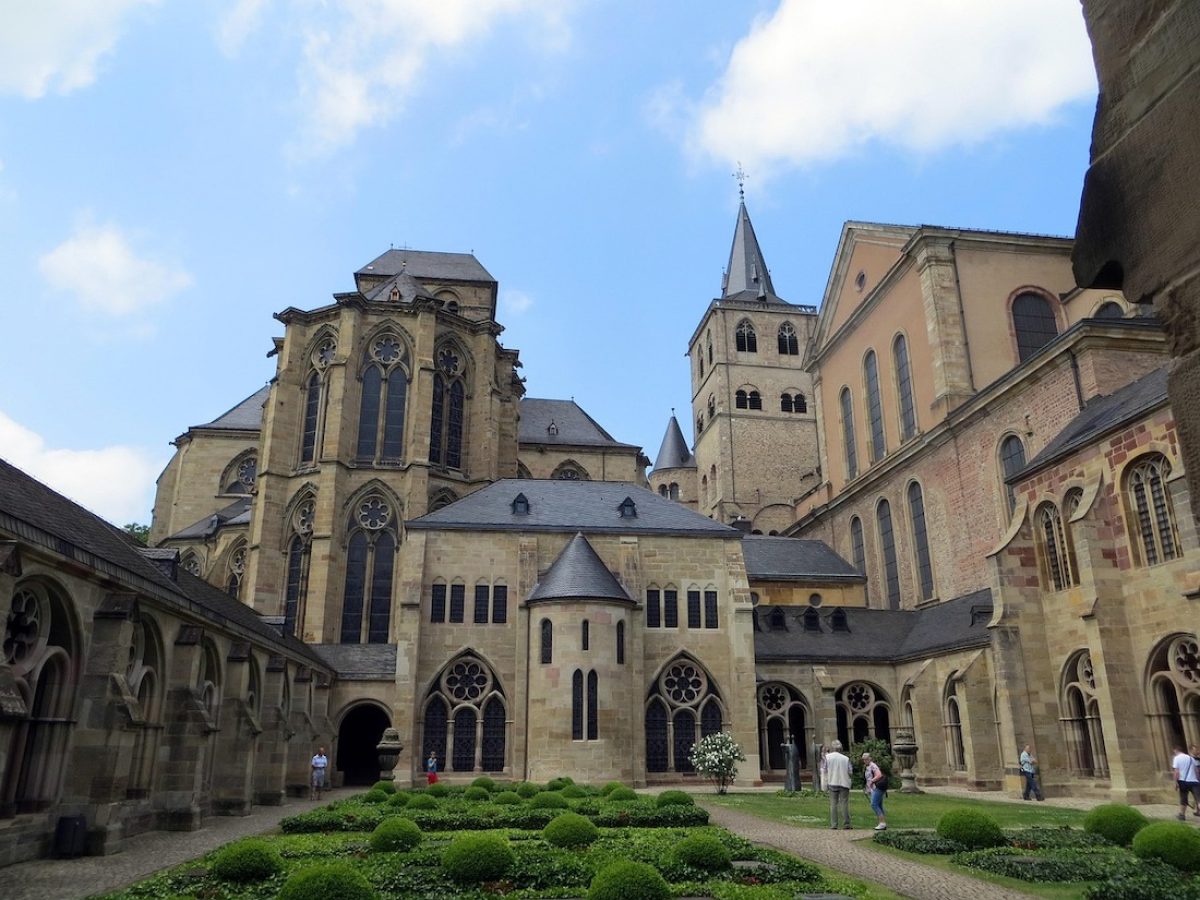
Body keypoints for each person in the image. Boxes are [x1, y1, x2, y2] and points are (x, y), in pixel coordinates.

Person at [824, 740, 852, 829]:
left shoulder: (827, 757)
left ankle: (834, 824)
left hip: (832, 781)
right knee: (844, 803)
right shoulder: (846, 758)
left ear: (832, 748)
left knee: (833, 804)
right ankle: (846, 824)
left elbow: (824, 769)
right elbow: (850, 771)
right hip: (844, 782)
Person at [1171, 744, 1200, 821]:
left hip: (1183, 781)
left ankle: (1182, 815)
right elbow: (1196, 771)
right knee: (1198, 799)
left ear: (1176, 750)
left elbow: (1176, 771)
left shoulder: (1177, 758)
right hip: (1194, 781)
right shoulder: (1191, 758)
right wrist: (1197, 779)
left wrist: (1175, 782)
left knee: (1183, 799)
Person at [862, 752, 887, 831]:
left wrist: (872, 781)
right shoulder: (867, 767)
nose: (865, 761)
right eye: (864, 759)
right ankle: (882, 822)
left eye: (866, 759)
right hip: (873, 788)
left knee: (874, 804)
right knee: (879, 805)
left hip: (877, 787)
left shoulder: (873, 766)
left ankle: (882, 823)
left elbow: (879, 775)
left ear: (870, 758)